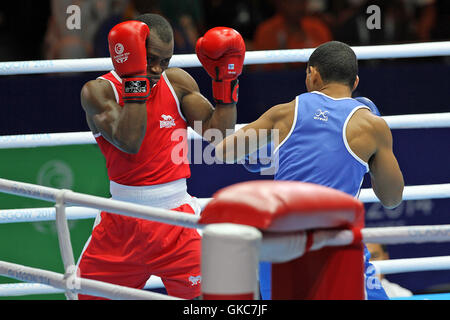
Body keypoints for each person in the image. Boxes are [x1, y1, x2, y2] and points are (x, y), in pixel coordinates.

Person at [215, 40, 404, 299]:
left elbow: (224, 151)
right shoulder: (371, 125)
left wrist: (265, 154)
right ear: (355, 82)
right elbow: (392, 200)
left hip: (277, 246)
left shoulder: (283, 113)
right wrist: (371, 158)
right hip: (333, 245)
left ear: (313, 74)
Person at [76, 13, 245, 299]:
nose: (157, 68)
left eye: (164, 61)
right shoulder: (98, 91)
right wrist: (134, 78)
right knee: (86, 295)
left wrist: (225, 83)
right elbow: (130, 141)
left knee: (211, 297)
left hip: (177, 219)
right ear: (132, 53)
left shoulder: (176, 82)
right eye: (150, 59)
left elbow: (217, 133)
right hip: (123, 220)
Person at [252, 0, 332, 71]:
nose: (299, 6)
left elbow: (329, 61)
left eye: (302, 1)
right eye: (293, 2)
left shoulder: (318, 28)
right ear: (281, 3)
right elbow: (261, 69)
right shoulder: (266, 31)